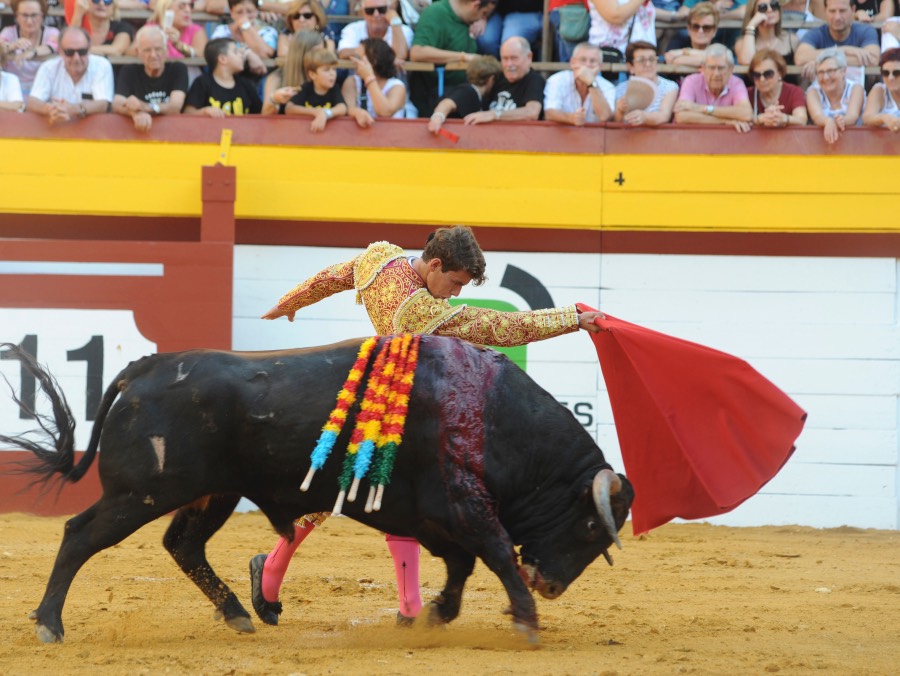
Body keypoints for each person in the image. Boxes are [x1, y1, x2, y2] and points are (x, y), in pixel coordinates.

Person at [249, 225, 605, 628]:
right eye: (454, 282)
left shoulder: (380, 258)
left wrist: (291, 301)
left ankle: (278, 576)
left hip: (375, 390)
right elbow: (502, 327)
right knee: (398, 500)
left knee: (344, 493)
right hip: (399, 404)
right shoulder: (420, 309)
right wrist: (572, 319)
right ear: (435, 264)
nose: (455, 293)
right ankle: (405, 606)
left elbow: (338, 274)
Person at [408, 0, 495, 116]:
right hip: (434, 99)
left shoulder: (469, 20)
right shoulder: (436, 13)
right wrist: (463, 57)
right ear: (475, 5)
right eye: (484, 14)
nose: (482, 18)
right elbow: (417, 52)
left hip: (463, 100)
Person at [26, 26, 114, 124]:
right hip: (57, 129)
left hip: (93, 130)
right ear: (60, 52)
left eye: (82, 52)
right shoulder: (48, 67)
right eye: (70, 52)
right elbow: (32, 101)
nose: (76, 58)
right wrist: (50, 109)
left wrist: (73, 109)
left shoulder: (102, 65)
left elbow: (104, 104)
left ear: (89, 50)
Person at [113, 25, 188, 131]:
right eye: (147, 50)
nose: (153, 55)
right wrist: (135, 113)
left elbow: (175, 107)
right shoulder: (129, 70)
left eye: (158, 49)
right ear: (138, 53)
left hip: (173, 132)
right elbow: (117, 104)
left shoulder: (177, 69)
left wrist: (146, 107)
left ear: (166, 50)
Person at [794, 0, 879, 84]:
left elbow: (873, 59)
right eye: (832, 11)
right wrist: (844, 50)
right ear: (825, 11)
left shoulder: (865, 31)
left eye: (842, 11)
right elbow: (800, 57)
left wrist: (820, 62)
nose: (837, 17)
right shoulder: (817, 33)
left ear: (853, 10)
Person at [463, 35, 543, 124]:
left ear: (529, 57)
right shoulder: (495, 77)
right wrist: (444, 112)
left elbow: (532, 113)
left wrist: (495, 115)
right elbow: (469, 92)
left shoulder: (534, 80)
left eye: (514, 58)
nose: (509, 64)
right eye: (505, 59)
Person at [674, 43, 752, 131]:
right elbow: (681, 116)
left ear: (731, 69)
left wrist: (698, 108)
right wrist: (724, 121)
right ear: (703, 68)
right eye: (711, 68)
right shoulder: (691, 81)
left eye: (721, 68)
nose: (716, 74)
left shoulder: (737, 83)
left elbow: (746, 113)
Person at [183, 37, 263, 116]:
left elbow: (260, 114)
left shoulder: (246, 85)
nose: (241, 55)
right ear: (222, 59)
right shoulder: (202, 83)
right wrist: (205, 111)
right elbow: (188, 113)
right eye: (236, 52)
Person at [544, 42, 616, 125]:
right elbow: (549, 113)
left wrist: (591, 83)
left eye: (592, 61)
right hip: (563, 136)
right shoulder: (557, 80)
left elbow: (605, 117)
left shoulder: (608, 86)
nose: (587, 65)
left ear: (600, 66)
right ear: (572, 62)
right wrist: (572, 118)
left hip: (595, 137)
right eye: (583, 60)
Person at [426, 54, 501, 133]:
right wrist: (437, 118)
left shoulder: (474, 94)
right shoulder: (469, 92)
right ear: (491, 79)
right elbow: (447, 103)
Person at [285, 46, 353, 130]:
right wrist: (316, 112)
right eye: (326, 70)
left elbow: (342, 108)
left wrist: (326, 114)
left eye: (334, 69)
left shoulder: (334, 88)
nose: (332, 74)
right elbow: (289, 108)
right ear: (312, 74)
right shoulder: (306, 88)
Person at [0, 0, 59, 97]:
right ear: (16, 16)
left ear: (42, 15)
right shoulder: (9, 32)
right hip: (13, 89)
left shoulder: (52, 32)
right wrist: (12, 46)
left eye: (34, 15)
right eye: (24, 15)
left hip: (43, 89)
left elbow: (53, 46)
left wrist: (32, 51)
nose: (29, 21)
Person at [805, 46, 865, 142]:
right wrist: (828, 121)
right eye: (820, 72)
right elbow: (817, 116)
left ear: (843, 71)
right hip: (822, 144)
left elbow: (853, 116)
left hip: (856, 143)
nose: (825, 77)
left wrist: (841, 121)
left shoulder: (856, 88)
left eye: (830, 71)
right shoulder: (813, 92)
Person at [342, 38, 409, 119]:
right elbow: (348, 109)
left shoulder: (397, 86)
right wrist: (357, 112)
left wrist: (369, 78)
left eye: (358, 58)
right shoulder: (352, 82)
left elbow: (385, 112)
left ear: (374, 60)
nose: (353, 62)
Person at [613, 40, 678, 125]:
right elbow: (616, 124)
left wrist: (645, 117)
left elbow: (664, 116)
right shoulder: (620, 89)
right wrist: (620, 111)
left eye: (652, 59)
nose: (648, 64)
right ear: (631, 67)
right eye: (641, 60)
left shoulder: (670, 87)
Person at [263, 30, 324, 114]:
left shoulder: (324, 77)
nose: (322, 57)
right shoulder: (276, 78)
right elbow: (265, 116)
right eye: (316, 52)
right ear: (301, 54)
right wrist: (274, 100)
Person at [747, 47, 807, 125]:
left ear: (780, 73)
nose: (762, 79)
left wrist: (783, 118)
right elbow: (738, 119)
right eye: (756, 75)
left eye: (768, 74)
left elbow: (802, 120)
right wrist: (759, 119)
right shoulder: (747, 94)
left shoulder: (794, 91)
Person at [337, 0, 414, 60]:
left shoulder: (403, 29)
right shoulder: (352, 28)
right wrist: (387, 56)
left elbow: (400, 55)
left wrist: (396, 23)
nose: (376, 14)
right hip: (360, 79)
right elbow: (344, 53)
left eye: (381, 10)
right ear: (363, 13)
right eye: (370, 11)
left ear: (390, 10)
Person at [588, 0, 657, 66]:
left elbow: (643, 12)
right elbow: (615, 16)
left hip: (644, 59)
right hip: (614, 58)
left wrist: (668, 18)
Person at [734, 0, 800, 66]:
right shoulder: (742, 43)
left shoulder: (792, 40)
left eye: (774, 5)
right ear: (753, 13)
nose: (770, 10)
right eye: (763, 7)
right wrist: (751, 25)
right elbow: (746, 62)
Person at [210, 0, 279, 60]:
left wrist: (246, 26)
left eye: (249, 11)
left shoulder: (268, 31)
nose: (244, 16)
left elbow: (264, 55)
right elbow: (215, 54)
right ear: (231, 12)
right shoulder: (222, 30)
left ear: (257, 10)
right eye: (239, 12)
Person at [476, 0, 543, 58]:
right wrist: (482, 14)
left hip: (527, 10)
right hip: (495, 11)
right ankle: (494, 70)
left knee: (510, 44)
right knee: (486, 40)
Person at [665, 2, 722, 68]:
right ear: (689, 29)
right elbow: (670, 58)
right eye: (696, 26)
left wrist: (685, 52)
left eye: (706, 28)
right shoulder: (678, 42)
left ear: (714, 31)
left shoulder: (719, 46)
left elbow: (720, 59)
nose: (700, 31)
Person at [69, 0, 134, 57]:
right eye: (96, 0)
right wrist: (78, 14)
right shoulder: (78, 24)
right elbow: (69, 44)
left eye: (107, 0)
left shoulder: (122, 26)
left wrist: (80, 50)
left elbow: (116, 50)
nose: (101, 3)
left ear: (114, 6)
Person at [862, 47, 900, 131]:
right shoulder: (879, 90)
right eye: (886, 73)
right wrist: (884, 118)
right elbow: (867, 118)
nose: (890, 78)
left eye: (896, 73)